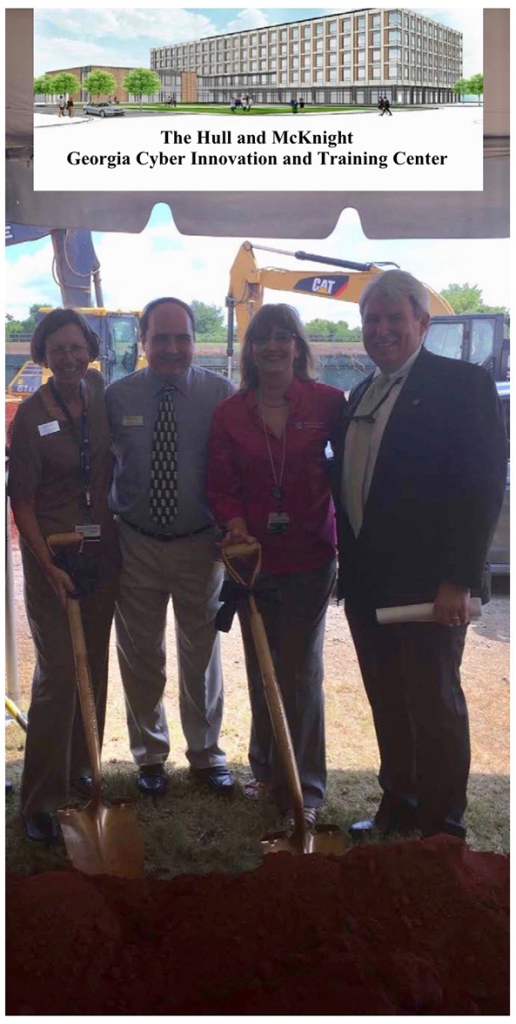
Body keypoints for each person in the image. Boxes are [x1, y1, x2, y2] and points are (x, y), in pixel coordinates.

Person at [333, 270, 507, 841]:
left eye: (393, 319)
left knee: (433, 705)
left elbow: (480, 486)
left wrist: (459, 580)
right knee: (387, 701)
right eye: (371, 320)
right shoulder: (362, 393)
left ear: (422, 323)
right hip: (366, 585)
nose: (380, 330)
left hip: (429, 588)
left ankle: (440, 827)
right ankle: (398, 804)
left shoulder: (462, 385)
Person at [207, 304, 346, 829]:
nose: (272, 347)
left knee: (300, 669)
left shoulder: (329, 403)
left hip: (311, 556)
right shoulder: (231, 412)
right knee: (264, 662)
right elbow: (221, 484)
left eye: (282, 337)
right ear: (250, 350)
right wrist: (235, 522)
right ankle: (265, 770)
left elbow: (349, 473)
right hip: (253, 561)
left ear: (298, 345)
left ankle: (306, 789)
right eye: (262, 338)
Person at [106, 297, 236, 797]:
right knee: (140, 654)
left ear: (193, 340)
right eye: (160, 337)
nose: (172, 347)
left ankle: (205, 755)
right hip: (135, 542)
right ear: (143, 343)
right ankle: (150, 757)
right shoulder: (118, 398)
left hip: (200, 547)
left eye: (181, 337)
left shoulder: (220, 394)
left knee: (201, 654)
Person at [8, 309, 120, 842]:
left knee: (92, 666)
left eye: (77, 347)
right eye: (58, 351)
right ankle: (40, 799)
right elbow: (21, 502)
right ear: (43, 357)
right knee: (56, 675)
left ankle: (82, 768)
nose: (69, 357)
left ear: (90, 349)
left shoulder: (99, 395)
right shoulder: (30, 417)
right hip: (52, 553)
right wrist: (46, 564)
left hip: (100, 551)